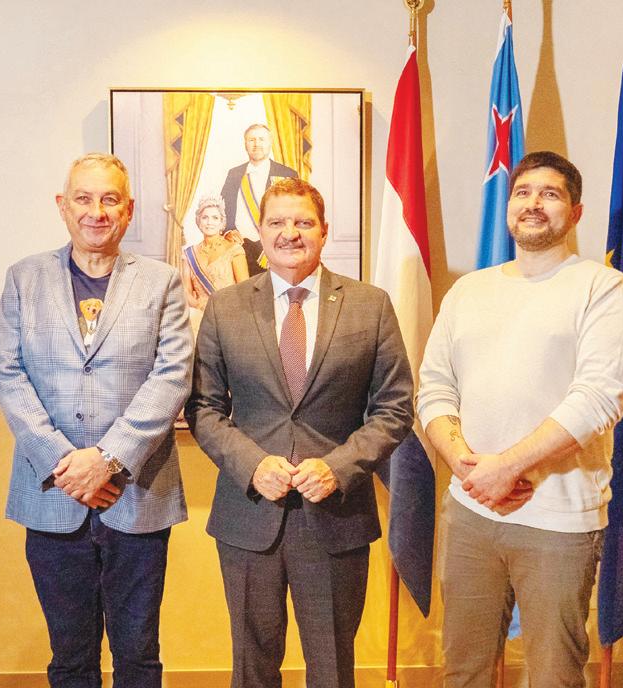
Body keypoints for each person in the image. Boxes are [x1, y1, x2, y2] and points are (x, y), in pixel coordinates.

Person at [417, 151, 623, 688]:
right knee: (464, 671)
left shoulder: (603, 288)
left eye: (550, 193)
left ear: (575, 212)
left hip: (558, 519)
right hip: (470, 511)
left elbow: (597, 400)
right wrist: (465, 464)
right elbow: (434, 387)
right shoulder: (469, 291)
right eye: (523, 192)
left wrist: (507, 467)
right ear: (508, 207)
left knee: (553, 675)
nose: (533, 203)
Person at [186, 177, 414, 688]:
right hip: (249, 516)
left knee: (332, 667)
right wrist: (252, 465)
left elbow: (395, 407)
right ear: (260, 232)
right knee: (252, 666)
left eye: (303, 222)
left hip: (336, 515)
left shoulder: (370, 304)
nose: (290, 232)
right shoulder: (225, 307)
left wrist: (338, 467)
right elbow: (203, 407)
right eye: (277, 222)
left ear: (324, 230)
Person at [0, 153, 192, 688]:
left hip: (137, 496)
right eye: (83, 198)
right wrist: (66, 464)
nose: (96, 211)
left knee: (139, 655)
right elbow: (9, 374)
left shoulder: (162, 282)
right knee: (70, 658)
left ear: (128, 210)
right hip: (52, 495)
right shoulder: (24, 278)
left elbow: (173, 376)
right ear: (63, 205)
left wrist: (107, 460)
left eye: (109, 200)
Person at [219, 123, 299, 275]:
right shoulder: (234, 174)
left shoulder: (288, 174)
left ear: (270, 142)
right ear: (245, 144)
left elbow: (296, 212)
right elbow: (223, 209)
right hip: (240, 248)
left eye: (262, 139)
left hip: (276, 247)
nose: (257, 144)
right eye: (252, 140)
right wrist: (228, 231)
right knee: (244, 290)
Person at [180, 194, 249, 312]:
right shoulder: (188, 255)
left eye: (215, 218)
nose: (209, 222)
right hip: (201, 315)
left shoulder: (234, 250)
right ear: (198, 221)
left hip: (230, 314)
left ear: (222, 222)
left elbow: (245, 291)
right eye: (205, 217)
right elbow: (186, 293)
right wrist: (200, 308)